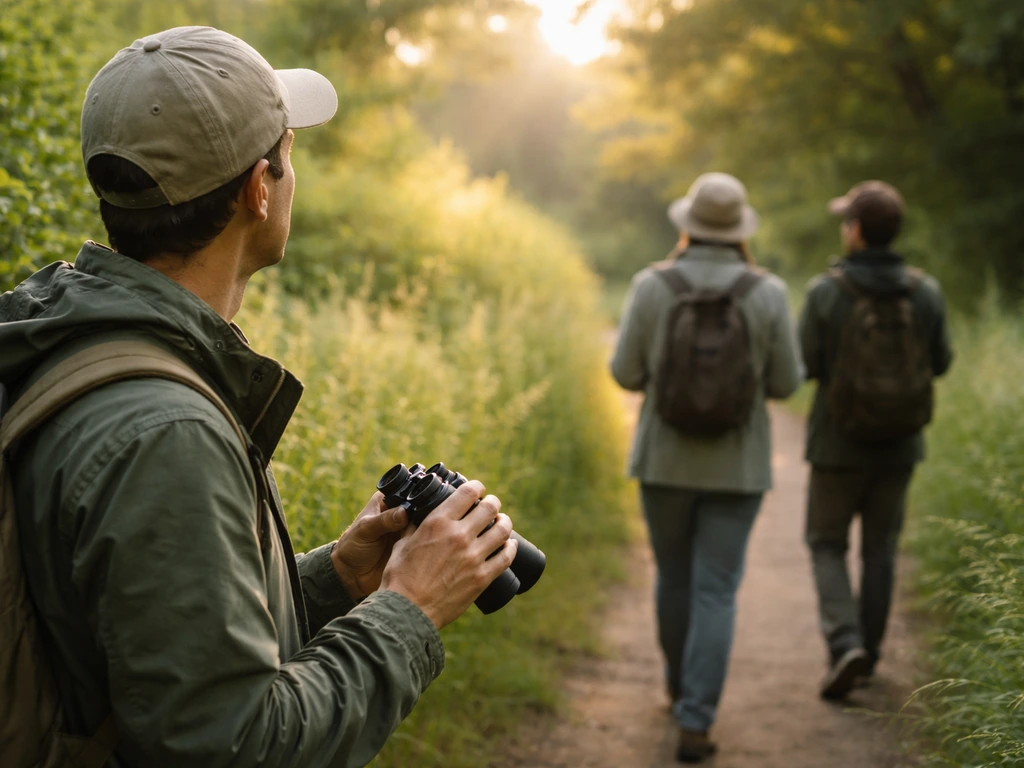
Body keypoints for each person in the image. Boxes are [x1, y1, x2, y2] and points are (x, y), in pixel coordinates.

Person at [0, 26, 518, 767]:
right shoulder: (165, 432)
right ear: (257, 187)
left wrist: (339, 576)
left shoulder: (73, 339)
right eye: (289, 151)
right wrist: (412, 609)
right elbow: (232, 744)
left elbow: (154, 654)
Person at [610, 172, 802, 763]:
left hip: (664, 463)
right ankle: (697, 717)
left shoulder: (652, 285)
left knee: (674, 578)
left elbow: (625, 374)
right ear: (740, 228)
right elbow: (787, 383)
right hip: (738, 468)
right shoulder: (767, 292)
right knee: (716, 591)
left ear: (688, 224)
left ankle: (675, 688)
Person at [799, 181, 953, 700]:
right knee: (881, 550)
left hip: (836, 445)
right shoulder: (924, 290)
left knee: (826, 544)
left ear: (858, 231)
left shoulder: (827, 291)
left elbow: (810, 365)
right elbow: (943, 362)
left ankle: (845, 643)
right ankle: (869, 656)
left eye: (847, 221)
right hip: (900, 447)